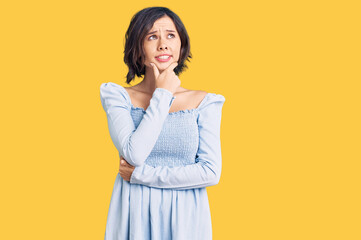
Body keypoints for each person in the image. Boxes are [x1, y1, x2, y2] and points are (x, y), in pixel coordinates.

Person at [100, 6, 226, 240]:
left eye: (170, 35)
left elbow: (210, 173)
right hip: (133, 216)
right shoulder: (117, 96)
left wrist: (141, 175)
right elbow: (134, 153)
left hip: (186, 221)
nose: (163, 44)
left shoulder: (204, 102)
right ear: (138, 48)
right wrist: (162, 95)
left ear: (181, 43)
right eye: (152, 36)